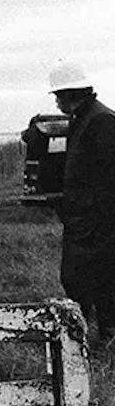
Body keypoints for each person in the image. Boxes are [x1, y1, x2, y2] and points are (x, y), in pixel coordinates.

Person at [47, 62, 115, 343]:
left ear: (69, 93)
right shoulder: (84, 118)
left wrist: (94, 218)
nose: (56, 101)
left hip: (97, 224)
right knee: (78, 281)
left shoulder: (101, 121)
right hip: (83, 221)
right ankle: (86, 336)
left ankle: (105, 338)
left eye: (58, 95)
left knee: (101, 283)